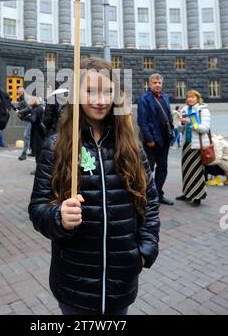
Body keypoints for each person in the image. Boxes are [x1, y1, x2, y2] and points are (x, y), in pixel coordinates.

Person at [29, 57, 160, 315]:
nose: (100, 100)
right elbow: (38, 208)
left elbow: (149, 202)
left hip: (120, 281)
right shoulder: (56, 145)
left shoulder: (131, 145)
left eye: (107, 91)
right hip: (74, 282)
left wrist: (145, 251)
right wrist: (58, 217)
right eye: (90, 91)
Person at [137, 73, 174, 205]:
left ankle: (158, 194)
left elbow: (168, 116)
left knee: (163, 168)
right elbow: (142, 121)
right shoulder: (144, 98)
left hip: (165, 140)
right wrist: (149, 139)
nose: (157, 85)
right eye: (154, 83)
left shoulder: (165, 97)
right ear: (149, 84)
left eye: (159, 82)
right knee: (148, 169)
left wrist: (172, 132)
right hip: (152, 141)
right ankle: (146, 195)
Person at [176, 90, 209, 206]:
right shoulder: (184, 109)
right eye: (188, 97)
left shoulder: (202, 110)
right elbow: (180, 130)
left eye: (192, 97)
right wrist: (181, 123)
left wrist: (191, 123)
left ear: (197, 98)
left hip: (197, 146)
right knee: (186, 170)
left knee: (197, 171)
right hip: (187, 144)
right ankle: (187, 194)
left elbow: (205, 128)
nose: (190, 99)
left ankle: (197, 197)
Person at [16, 87, 32, 160]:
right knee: (29, 135)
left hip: (29, 119)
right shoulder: (21, 98)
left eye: (19, 92)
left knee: (26, 135)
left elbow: (29, 108)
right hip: (26, 119)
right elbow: (21, 106)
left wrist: (19, 111)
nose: (17, 93)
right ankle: (32, 151)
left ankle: (24, 153)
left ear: (22, 92)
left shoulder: (26, 98)